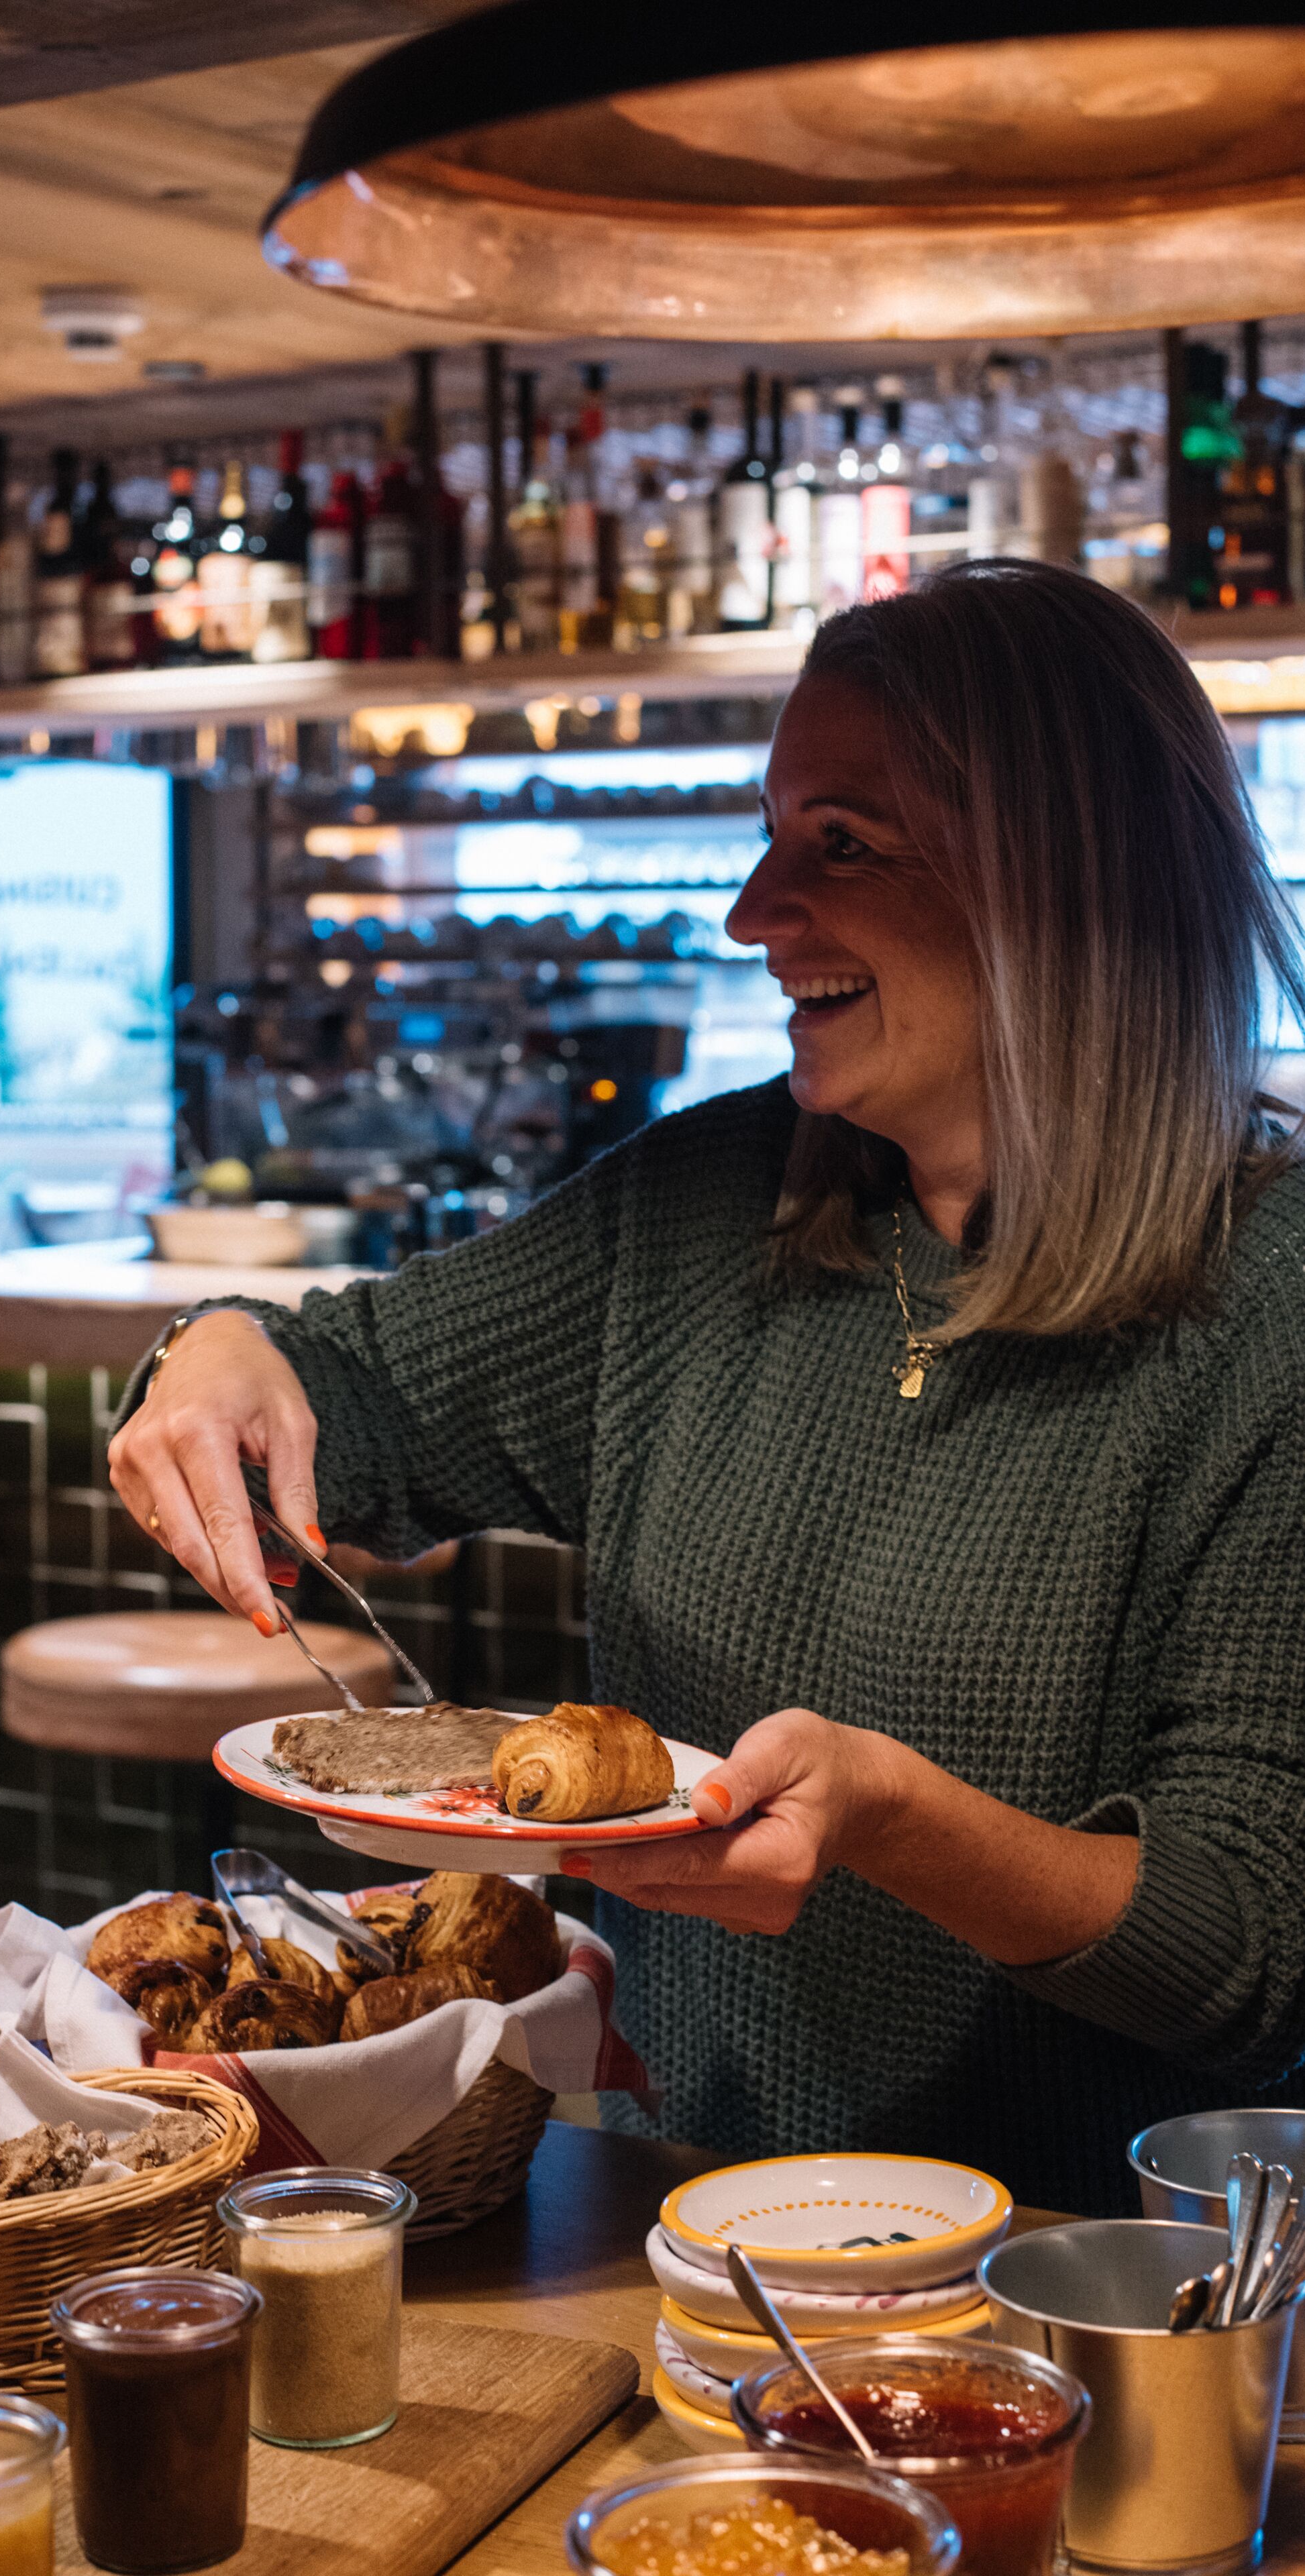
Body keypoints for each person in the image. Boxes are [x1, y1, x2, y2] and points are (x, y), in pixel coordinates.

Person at [109, 561, 1305, 2213]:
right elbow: (356, 1395)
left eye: (841, 843)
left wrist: (889, 1816)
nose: (752, 912)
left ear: (1061, 886)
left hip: (1083, 2301)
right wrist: (217, 1349)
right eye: (767, 831)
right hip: (674, 2228)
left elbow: (1247, 1959)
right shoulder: (707, 1203)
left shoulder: (1274, 1311)